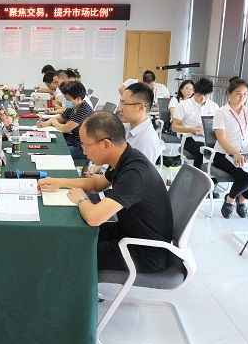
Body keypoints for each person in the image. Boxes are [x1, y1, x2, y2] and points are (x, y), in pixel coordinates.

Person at [38, 111, 173, 273]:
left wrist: (81, 199)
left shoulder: (134, 173)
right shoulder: (124, 158)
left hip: (145, 252)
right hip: (127, 232)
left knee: (69, 254)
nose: (84, 152)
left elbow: (94, 218)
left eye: (86, 146)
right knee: (69, 236)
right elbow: (97, 184)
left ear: (106, 144)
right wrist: (60, 182)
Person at [212, 77, 248, 219]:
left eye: (245, 94)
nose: (242, 97)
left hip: (245, 154)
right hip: (223, 155)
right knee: (246, 178)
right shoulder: (221, 112)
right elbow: (221, 138)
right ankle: (231, 199)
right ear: (228, 93)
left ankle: (241, 197)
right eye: (238, 93)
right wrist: (235, 153)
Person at [37, 81, 93, 160]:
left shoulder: (83, 110)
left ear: (78, 99)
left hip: (82, 148)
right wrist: (44, 124)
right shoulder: (73, 106)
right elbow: (59, 118)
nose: (66, 101)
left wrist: (54, 123)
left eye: (68, 99)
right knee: (52, 148)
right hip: (73, 142)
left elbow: (65, 129)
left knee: (57, 154)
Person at [172, 77, 219, 169]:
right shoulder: (184, 105)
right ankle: (197, 175)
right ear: (194, 91)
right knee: (201, 150)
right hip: (189, 138)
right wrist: (191, 129)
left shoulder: (214, 106)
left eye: (206, 96)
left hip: (209, 138)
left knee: (221, 151)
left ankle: (211, 176)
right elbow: (174, 127)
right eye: (199, 95)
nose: (203, 99)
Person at [118, 83, 162, 163]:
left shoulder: (146, 140)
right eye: (121, 103)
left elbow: (136, 170)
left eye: (124, 104)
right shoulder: (128, 127)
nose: (119, 109)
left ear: (141, 108)